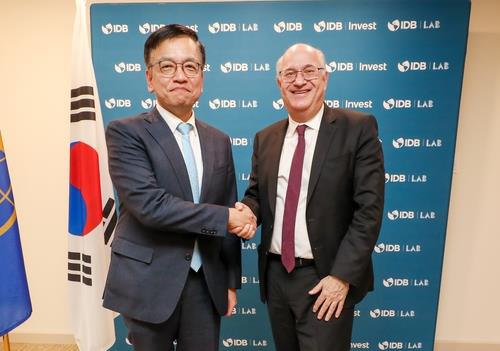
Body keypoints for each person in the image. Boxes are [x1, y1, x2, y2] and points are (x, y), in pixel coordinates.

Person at [102, 24, 256, 351]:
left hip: (206, 283)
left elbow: (227, 202)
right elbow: (150, 206)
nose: (180, 76)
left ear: (202, 76)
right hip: (148, 282)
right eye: (167, 66)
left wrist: (230, 282)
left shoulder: (219, 140)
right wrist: (228, 217)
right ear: (149, 77)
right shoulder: (126, 133)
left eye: (190, 66)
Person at [237, 43, 385, 351]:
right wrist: (248, 212)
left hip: (325, 278)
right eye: (289, 73)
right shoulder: (265, 138)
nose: (299, 80)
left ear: (325, 78)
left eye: (309, 71)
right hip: (277, 276)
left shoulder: (356, 128)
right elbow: (257, 196)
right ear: (279, 83)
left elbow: (368, 210)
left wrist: (341, 277)